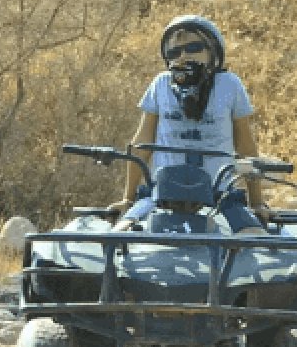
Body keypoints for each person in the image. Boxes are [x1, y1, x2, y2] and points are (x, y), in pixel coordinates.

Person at [109, 14, 269, 231]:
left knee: (254, 239)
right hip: (161, 193)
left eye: (193, 48)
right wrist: (128, 199)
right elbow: (142, 144)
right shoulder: (160, 84)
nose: (184, 56)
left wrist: (256, 202)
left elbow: (246, 146)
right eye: (175, 52)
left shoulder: (230, 85)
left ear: (212, 50)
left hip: (220, 194)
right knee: (121, 233)